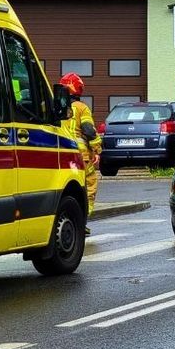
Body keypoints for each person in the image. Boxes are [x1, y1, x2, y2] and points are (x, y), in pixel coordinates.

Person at [59, 72, 102, 232]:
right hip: (80, 156)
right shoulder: (81, 108)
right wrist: (98, 148)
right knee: (88, 186)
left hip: (60, 153)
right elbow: (88, 130)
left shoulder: (56, 107)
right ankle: (81, 221)